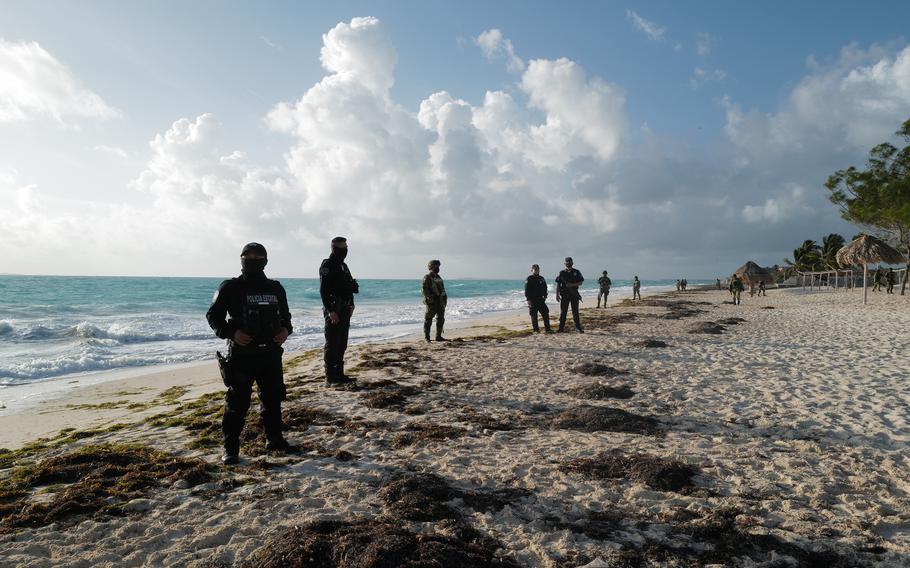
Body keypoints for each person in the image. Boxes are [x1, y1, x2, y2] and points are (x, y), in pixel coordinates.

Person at [206, 242, 293, 465]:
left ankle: (275, 440)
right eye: (248, 256)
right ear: (242, 258)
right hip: (242, 356)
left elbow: (286, 318)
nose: (253, 260)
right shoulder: (230, 287)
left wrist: (285, 331)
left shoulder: (275, 288)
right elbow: (213, 316)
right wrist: (231, 333)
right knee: (237, 404)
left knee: (272, 400)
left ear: (265, 260)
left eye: (258, 257)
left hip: (271, 355)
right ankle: (231, 449)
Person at [320, 237, 359, 386]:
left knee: (342, 343)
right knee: (332, 343)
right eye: (342, 248)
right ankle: (330, 377)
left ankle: (339, 374)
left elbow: (349, 286)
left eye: (346, 247)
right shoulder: (327, 264)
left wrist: (352, 304)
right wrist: (330, 311)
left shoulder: (344, 265)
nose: (345, 250)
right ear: (334, 248)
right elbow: (323, 290)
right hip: (334, 308)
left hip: (345, 308)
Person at [555, 257, 584, 333]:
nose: (568, 263)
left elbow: (581, 282)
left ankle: (578, 327)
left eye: (570, 262)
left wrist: (572, 285)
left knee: (575, 312)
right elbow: (558, 284)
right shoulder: (561, 273)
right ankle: (561, 328)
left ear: (572, 263)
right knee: (563, 312)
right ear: (564, 263)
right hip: (564, 295)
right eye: (567, 262)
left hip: (574, 294)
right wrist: (557, 295)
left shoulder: (576, 272)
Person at [422, 259, 447, 341]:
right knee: (428, 320)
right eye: (436, 266)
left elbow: (442, 289)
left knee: (441, 319)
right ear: (431, 267)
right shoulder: (427, 277)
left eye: (438, 266)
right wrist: (430, 299)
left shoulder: (439, 277)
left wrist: (444, 299)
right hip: (432, 302)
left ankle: (438, 336)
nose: (438, 268)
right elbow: (424, 290)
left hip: (440, 302)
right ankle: (427, 338)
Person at [525, 264, 553, 333]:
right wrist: (528, 300)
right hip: (532, 300)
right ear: (532, 270)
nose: (537, 270)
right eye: (535, 269)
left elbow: (545, 287)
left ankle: (548, 329)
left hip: (540, 300)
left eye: (538, 269)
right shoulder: (529, 278)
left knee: (546, 313)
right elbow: (526, 290)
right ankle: (536, 330)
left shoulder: (542, 278)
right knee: (534, 316)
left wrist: (545, 296)